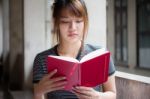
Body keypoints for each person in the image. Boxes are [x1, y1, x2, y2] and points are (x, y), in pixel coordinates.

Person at [33, 0, 116, 99]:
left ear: (85, 21)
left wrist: (98, 96)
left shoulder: (100, 55)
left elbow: (112, 94)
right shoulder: (42, 60)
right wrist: (38, 92)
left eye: (78, 21)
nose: (73, 27)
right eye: (65, 21)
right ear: (56, 22)